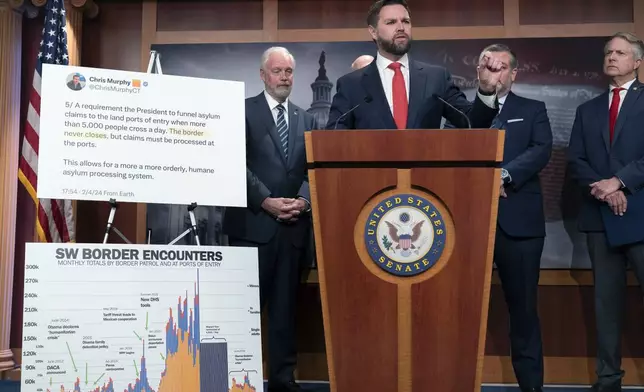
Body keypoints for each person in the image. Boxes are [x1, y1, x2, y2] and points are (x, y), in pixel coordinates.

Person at [222, 46, 317, 392]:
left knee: (284, 313)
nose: (284, 78)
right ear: (263, 75)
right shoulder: (241, 111)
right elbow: (235, 163)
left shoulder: (306, 118)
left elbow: (311, 169)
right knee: (242, 312)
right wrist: (266, 201)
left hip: (293, 230)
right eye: (278, 71)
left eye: (289, 72)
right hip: (252, 228)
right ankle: (233, 380)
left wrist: (303, 202)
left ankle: (282, 380)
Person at [567, 32, 644, 392]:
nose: (611, 57)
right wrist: (604, 188)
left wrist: (620, 182)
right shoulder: (588, 110)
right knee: (606, 306)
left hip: (641, 217)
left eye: (620, 52)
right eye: (608, 52)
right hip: (600, 217)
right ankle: (608, 380)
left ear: (637, 62)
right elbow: (576, 161)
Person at [476, 44, 553, 392]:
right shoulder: (466, 111)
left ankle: (531, 387)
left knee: (523, 311)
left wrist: (503, 176)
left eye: (502, 67)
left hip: (519, 225)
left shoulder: (532, 109)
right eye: (488, 67)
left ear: (514, 73)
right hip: (472, 222)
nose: (495, 73)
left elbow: (541, 149)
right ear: (479, 71)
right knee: (459, 306)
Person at [326, 0, 503, 130]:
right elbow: (334, 138)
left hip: (424, 179)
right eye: (391, 22)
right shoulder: (351, 85)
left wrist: (486, 90)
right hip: (374, 179)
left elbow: (472, 123)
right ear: (373, 32)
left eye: (406, 21)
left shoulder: (436, 78)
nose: (401, 27)